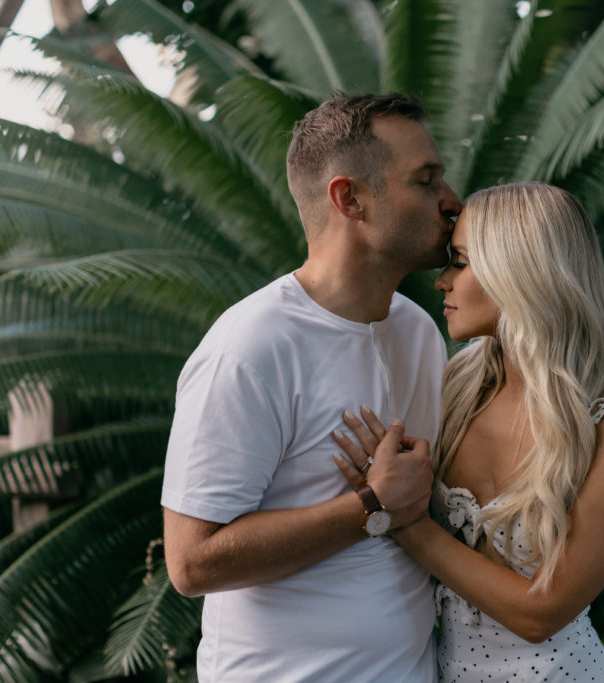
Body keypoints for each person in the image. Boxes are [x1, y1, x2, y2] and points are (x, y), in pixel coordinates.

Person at [160, 92, 462, 682]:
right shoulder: (250, 347)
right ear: (350, 198)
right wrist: (371, 507)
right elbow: (191, 563)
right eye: (426, 181)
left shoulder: (420, 332)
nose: (451, 202)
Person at [333, 182, 604, 682]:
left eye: (460, 262)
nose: (441, 281)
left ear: (521, 272)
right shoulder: (457, 384)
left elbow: (541, 613)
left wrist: (400, 519)